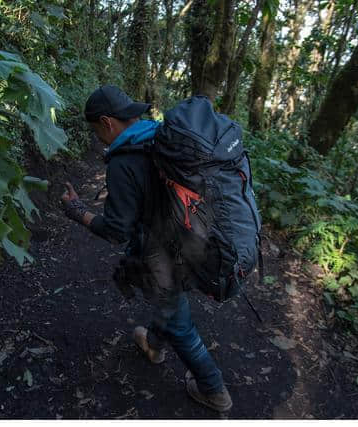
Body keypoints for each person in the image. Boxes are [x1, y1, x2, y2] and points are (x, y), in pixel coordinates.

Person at [60, 85, 232, 412]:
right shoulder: (159, 136)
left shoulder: (123, 162)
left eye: (96, 129)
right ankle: (153, 345)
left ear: (107, 122)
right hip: (193, 239)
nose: (97, 137)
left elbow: (116, 230)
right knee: (170, 305)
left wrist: (77, 211)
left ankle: (214, 389)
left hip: (164, 255)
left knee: (180, 324)